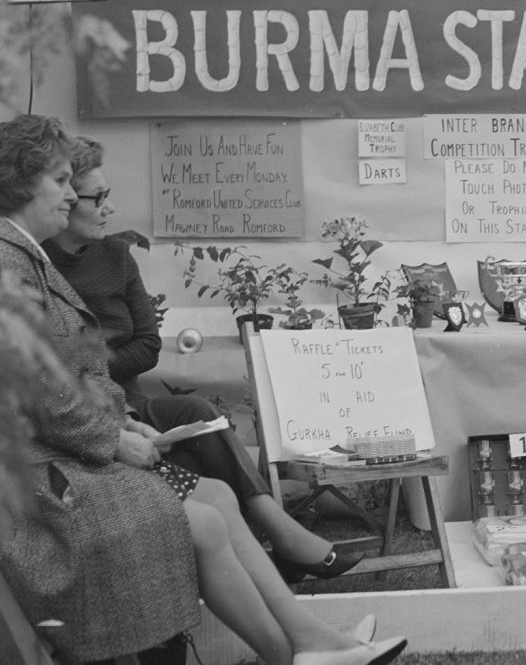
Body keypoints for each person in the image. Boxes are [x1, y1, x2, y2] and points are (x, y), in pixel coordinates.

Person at [0, 114, 406, 665]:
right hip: (46, 484)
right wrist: (117, 439)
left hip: (60, 462)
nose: (73, 196)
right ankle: (301, 654)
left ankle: (312, 644)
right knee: (207, 517)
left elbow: (69, 376)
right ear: (24, 182)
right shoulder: (9, 259)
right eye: (62, 181)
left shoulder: (23, 254)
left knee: (214, 497)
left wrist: (122, 422)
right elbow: (43, 389)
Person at [42, 134, 361, 583]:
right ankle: (281, 541)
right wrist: (89, 376)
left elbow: (149, 345)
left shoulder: (116, 255)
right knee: (198, 435)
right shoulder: (40, 271)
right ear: (64, 198)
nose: (109, 209)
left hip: (125, 401)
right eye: (99, 199)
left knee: (199, 413)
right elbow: (49, 372)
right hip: (92, 412)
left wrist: (96, 371)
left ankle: (277, 531)